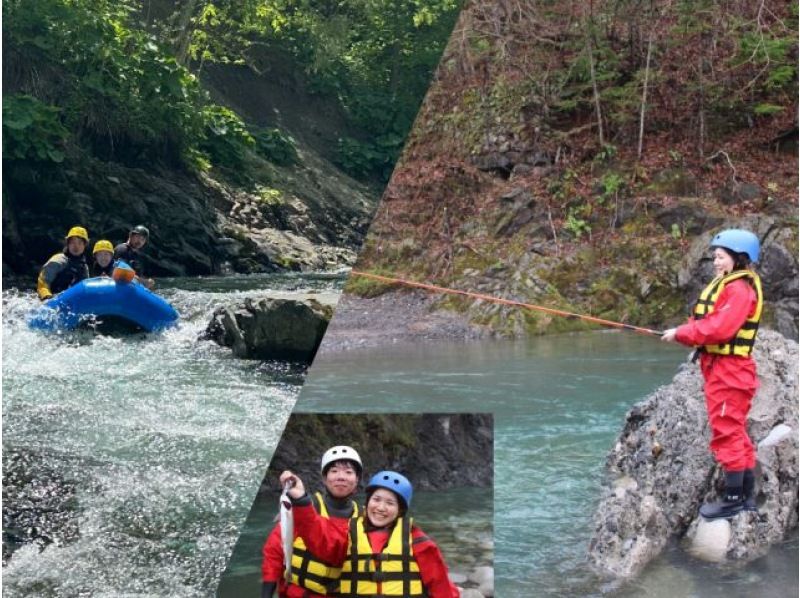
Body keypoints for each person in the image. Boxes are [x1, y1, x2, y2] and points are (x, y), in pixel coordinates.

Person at [662, 229, 763, 519]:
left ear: (739, 258)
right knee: (735, 430)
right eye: (715, 257)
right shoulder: (729, 286)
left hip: (730, 372)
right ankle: (745, 496)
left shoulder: (740, 290)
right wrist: (684, 330)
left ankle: (732, 501)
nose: (715, 263)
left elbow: (719, 328)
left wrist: (682, 333)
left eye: (720, 257)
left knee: (727, 432)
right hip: (723, 369)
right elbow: (707, 321)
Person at [282, 469, 460, 598]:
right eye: (376, 499)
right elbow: (320, 538)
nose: (381, 508)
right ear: (367, 503)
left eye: (390, 503)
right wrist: (301, 500)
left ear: (400, 511)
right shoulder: (347, 534)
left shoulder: (418, 541)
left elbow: (442, 587)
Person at [262, 446, 363, 598]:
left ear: (357, 480)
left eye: (348, 472)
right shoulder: (303, 509)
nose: (341, 477)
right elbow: (274, 551)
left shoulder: (364, 518)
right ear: (324, 478)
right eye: (334, 471)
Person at [37, 226, 91, 301]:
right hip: (52, 300)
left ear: (85, 245)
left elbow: (84, 290)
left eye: (80, 243)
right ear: (68, 244)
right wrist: (47, 297)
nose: (76, 246)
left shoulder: (84, 267)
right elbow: (43, 282)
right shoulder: (58, 260)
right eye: (72, 242)